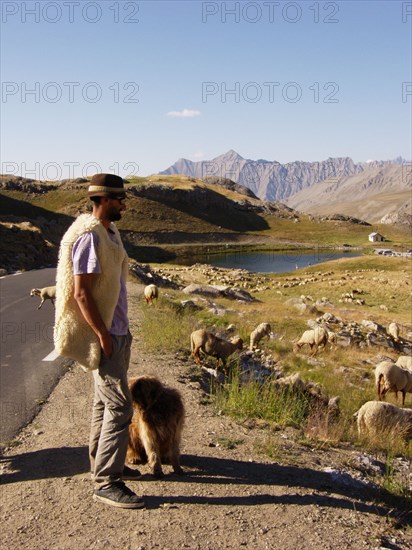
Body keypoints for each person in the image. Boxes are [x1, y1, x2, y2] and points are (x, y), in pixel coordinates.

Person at [54, 173, 144, 509]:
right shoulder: (90, 236)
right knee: (121, 407)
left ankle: (104, 463)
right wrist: (103, 336)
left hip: (117, 331)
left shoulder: (108, 231)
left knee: (103, 404)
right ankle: (107, 482)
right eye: (120, 199)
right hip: (106, 335)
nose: (124, 204)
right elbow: (81, 292)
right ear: (104, 199)